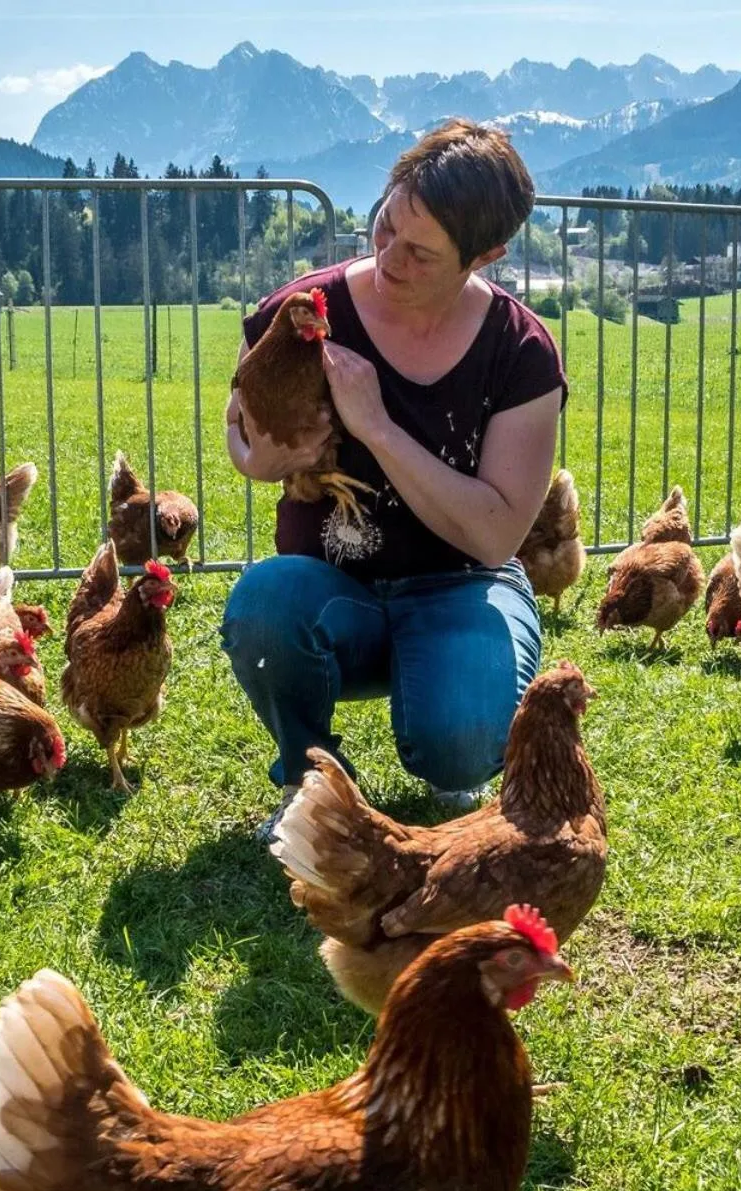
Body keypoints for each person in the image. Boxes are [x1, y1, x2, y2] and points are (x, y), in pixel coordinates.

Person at [221, 119, 566, 837]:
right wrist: (259, 461)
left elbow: (497, 531)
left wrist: (376, 426)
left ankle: (451, 725)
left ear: (486, 255)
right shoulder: (305, 311)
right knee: (264, 606)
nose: (389, 257)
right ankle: (305, 773)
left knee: (461, 747)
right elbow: (239, 420)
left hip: (461, 582)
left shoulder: (520, 351)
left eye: (421, 252)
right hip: (331, 586)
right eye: (385, 227)